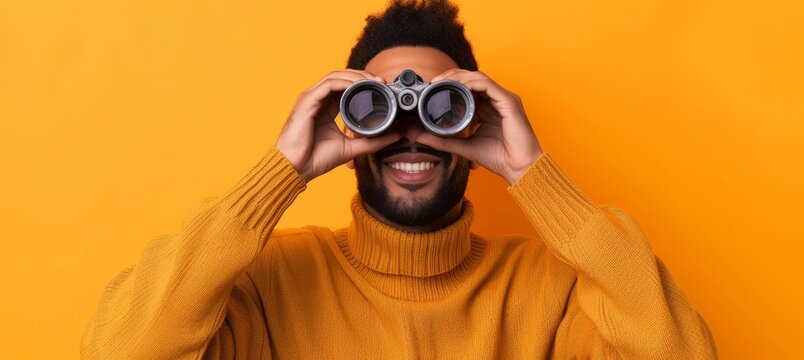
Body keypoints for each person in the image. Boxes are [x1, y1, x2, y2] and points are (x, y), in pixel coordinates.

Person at [81, 0, 718, 358]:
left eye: (443, 108)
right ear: (346, 130)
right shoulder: (269, 280)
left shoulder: (550, 291)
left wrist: (534, 174)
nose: (411, 133)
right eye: (377, 108)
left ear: (476, 128)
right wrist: (282, 170)